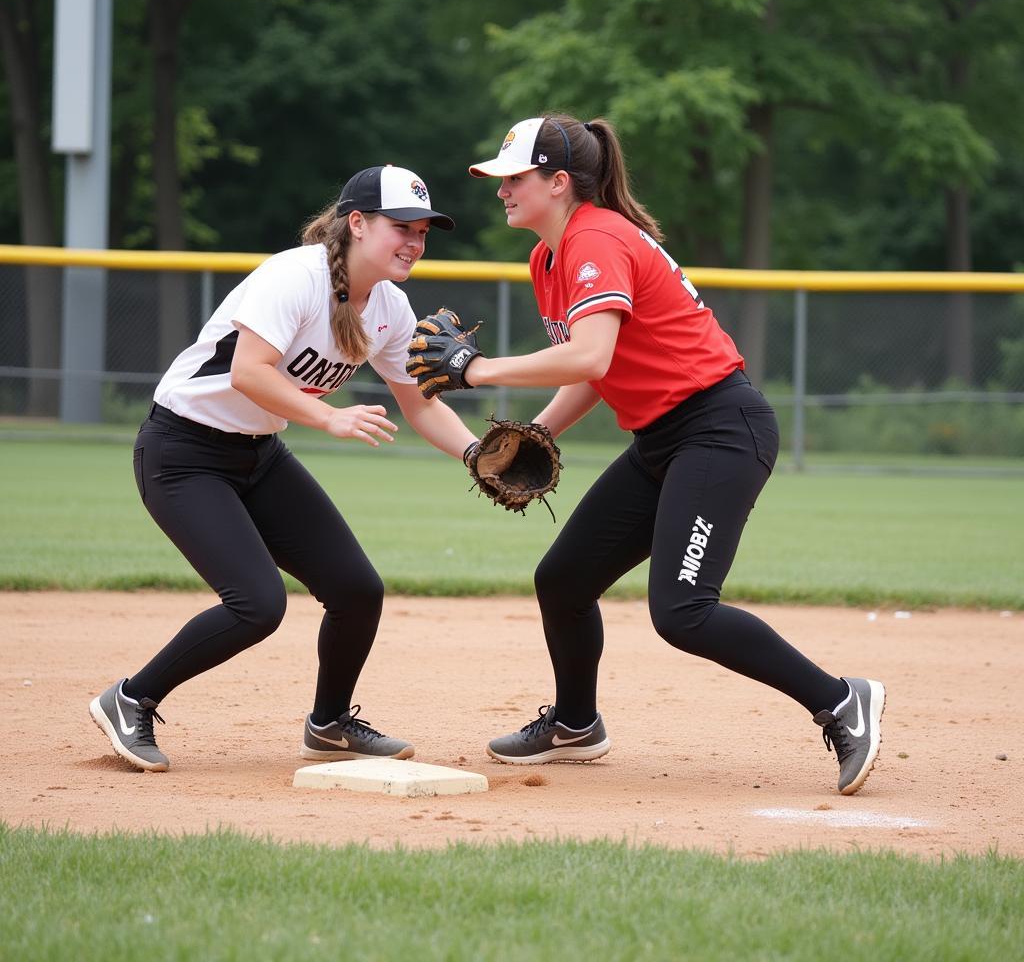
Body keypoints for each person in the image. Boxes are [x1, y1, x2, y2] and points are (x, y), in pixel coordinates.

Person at [460, 115, 885, 794]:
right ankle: (575, 724)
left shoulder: (596, 237)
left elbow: (590, 352)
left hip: (720, 430)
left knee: (683, 609)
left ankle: (840, 700)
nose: (501, 190)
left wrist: (479, 371)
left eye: (514, 178)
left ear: (559, 182)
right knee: (563, 580)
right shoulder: (551, 257)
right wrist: (527, 438)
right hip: (665, 439)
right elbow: (599, 371)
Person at [90, 165, 480, 772]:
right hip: (184, 452)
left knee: (357, 590)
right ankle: (130, 698)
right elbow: (250, 371)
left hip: (259, 455)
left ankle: (329, 725)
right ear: (357, 223)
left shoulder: (390, 308)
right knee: (256, 604)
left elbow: (420, 403)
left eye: (424, 230)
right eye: (401, 226)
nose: (415, 241)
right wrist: (330, 420)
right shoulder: (293, 276)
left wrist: (476, 455)